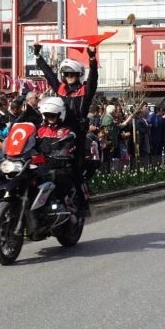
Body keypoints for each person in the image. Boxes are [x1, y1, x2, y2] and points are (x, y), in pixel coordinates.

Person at [34, 44, 99, 217]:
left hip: (77, 133)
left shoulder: (85, 90)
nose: (69, 77)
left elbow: (93, 79)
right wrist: (38, 57)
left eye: (73, 74)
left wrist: (92, 59)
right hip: (59, 131)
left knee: (76, 169)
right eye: (67, 74)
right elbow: (49, 76)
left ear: (79, 75)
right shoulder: (61, 88)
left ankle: (83, 204)